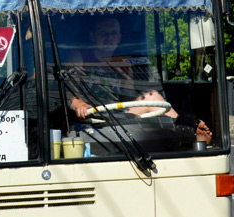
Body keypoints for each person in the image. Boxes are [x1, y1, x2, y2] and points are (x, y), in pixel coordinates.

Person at [67, 16, 212, 143]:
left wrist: (125, 80)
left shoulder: (123, 63)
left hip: (117, 118)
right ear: (93, 36)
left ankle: (189, 132)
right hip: (91, 118)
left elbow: (127, 99)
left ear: (119, 37)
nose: (108, 38)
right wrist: (79, 104)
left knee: (153, 96)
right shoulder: (80, 57)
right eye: (103, 33)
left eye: (113, 34)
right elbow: (67, 92)